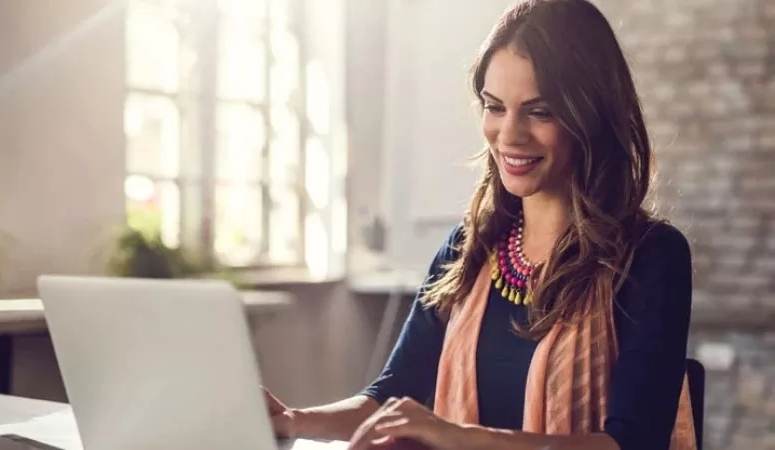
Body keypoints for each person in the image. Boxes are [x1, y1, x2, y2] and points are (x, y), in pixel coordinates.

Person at [265, 0, 698, 449]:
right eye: (494, 107)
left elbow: (632, 443)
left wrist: (461, 438)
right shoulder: (468, 249)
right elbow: (391, 396)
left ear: (591, 115)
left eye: (540, 111)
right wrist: (293, 421)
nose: (509, 135)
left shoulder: (652, 255)